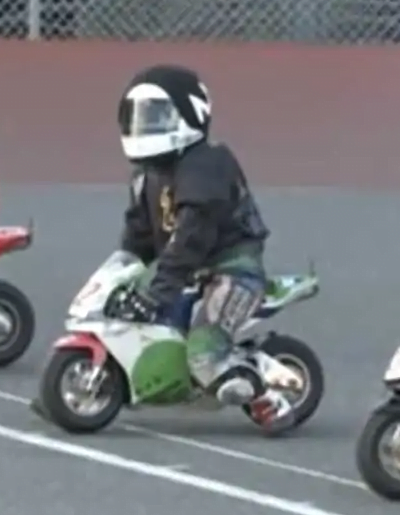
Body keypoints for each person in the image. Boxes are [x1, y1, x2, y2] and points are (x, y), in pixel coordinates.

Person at [102, 64, 295, 430]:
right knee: (128, 313)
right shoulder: (146, 177)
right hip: (184, 268)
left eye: (157, 117)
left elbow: (193, 237)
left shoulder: (208, 165)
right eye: (140, 117)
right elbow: (138, 237)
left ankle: (265, 399)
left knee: (204, 353)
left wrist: (157, 290)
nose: (145, 127)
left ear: (191, 115)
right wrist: (122, 276)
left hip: (231, 268)